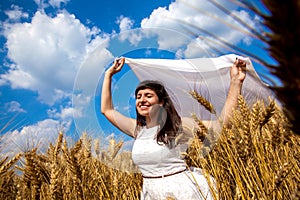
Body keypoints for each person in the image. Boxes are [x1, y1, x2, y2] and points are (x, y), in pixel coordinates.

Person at [101, 57, 246, 199]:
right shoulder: (137, 130)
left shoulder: (179, 125)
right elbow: (107, 110)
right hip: (150, 193)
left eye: (148, 96)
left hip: (183, 192)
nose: (142, 100)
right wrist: (109, 75)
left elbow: (222, 125)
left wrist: (235, 82)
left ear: (162, 102)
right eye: (138, 96)